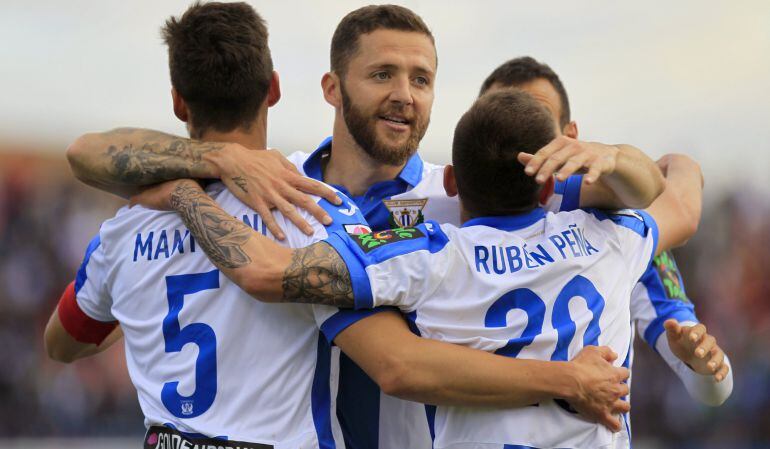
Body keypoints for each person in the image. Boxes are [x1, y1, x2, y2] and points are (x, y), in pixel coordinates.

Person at [61, 6, 670, 448]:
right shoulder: (287, 192)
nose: (404, 95)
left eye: (422, 79)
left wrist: (616, 159)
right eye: (383, 75)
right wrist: (218, 161)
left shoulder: (466, 193)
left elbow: (650, 198)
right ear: (331, 87)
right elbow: (87, 154)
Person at [131, 89, 701, 448]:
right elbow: (683, 190)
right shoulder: (611, 236)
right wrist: (618, 158)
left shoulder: (425, 254)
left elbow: (262, 272)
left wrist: (188, 194)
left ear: (450, 181)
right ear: (555, 181)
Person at [479, 56, 732, 405]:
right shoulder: (441, 222)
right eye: (502, 123)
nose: (519, 140)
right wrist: (683, 166)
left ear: (570, 138)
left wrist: (700, 363)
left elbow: (711, 385)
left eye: (533, 122)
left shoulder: (619, 228)